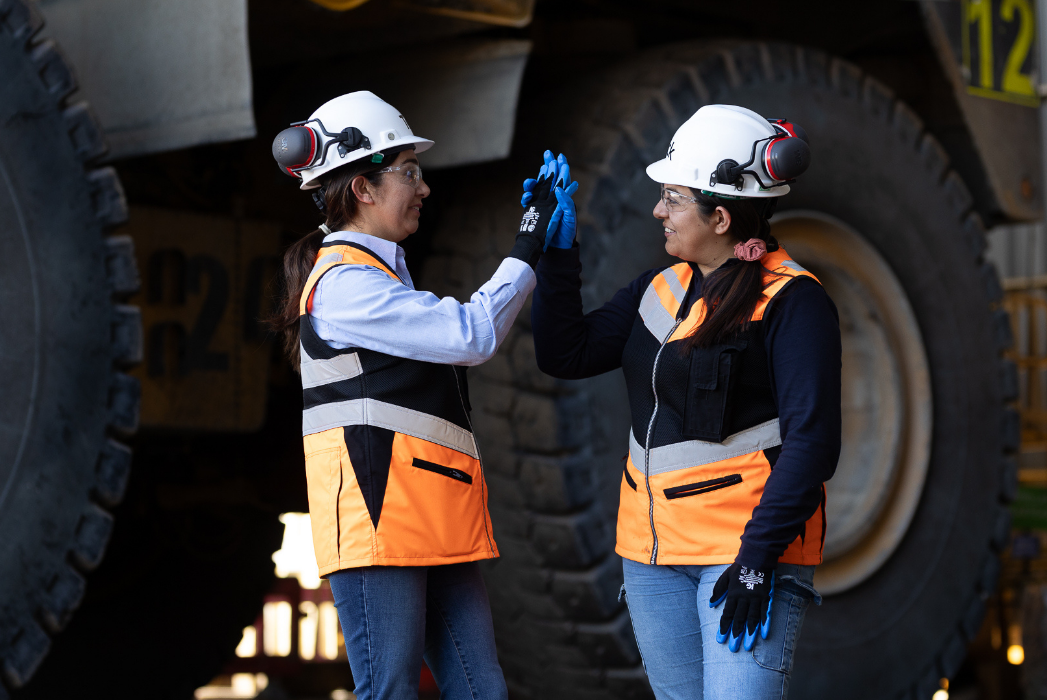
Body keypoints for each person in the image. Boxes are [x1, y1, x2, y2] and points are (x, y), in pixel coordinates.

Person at [268, 91, 574, 700]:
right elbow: (473, 333)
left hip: (426, 519)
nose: (423, 187)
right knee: (390, 691)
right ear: (362, 187)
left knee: (480, 691)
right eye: (409, 172)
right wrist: (529, 242)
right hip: (380, 525)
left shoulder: (376, 277)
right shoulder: (345, 286)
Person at [529, 105, 842, 699]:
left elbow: (814, 444)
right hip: (652, 560)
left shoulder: (794, 302)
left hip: (742, 556)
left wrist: (755, 562)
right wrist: (556, 255)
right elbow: (565, 355)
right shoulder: (660, 288)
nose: (658, 211)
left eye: (672, 198)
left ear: (720, 216)